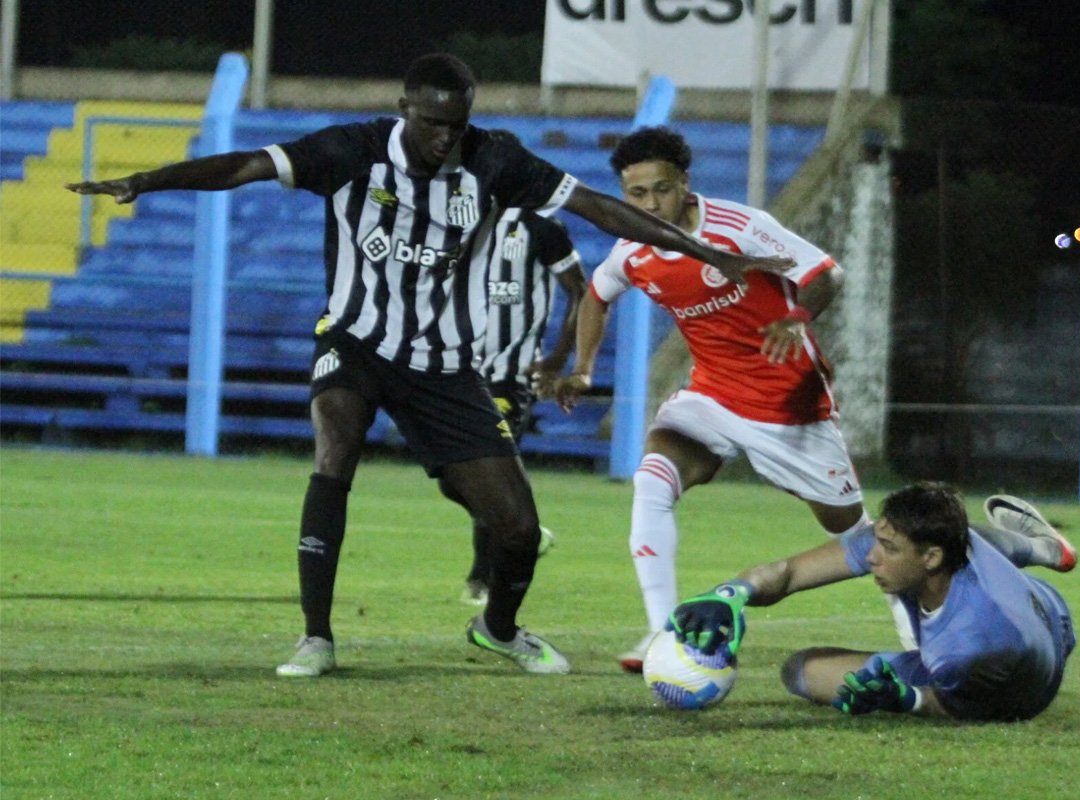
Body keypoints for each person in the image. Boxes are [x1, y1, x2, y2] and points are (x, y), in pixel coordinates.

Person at [65, 54, 792, 678]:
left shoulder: (495, 158)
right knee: (335, 451)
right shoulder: (351, 149)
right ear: (405, 109)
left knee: (515, 529)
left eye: (457, 123)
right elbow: (251, 164)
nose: (447, 137)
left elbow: (602, 209)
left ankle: (499, 630)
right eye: (434, 122)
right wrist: (149, 180)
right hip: (353, 337)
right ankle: (316, 636)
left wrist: (709, 252)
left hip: (442, 364)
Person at [553, 126, 868, 673]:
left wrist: (794, 319)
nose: (651, 204)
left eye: (662, 190)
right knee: (651, 480)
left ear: (686, 184)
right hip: (711, 397)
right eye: (637, 195)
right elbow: (595, 296)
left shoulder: (740, 228)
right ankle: (657, 632)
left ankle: (923, 627)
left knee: (857, 536)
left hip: (787, 409)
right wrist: (581, 370)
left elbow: (825, 273)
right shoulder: (634, 249)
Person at [670, 485, 1078, 722]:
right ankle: (1045, 547)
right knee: (984, 540)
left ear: (930, 558)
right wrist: (731, 595)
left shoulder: (968, 643)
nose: (871, 558)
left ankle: (1042, 548)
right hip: (1041, 608)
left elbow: (964, 707)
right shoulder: (941, 545)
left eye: (888, 548)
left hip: (1023, 684)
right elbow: (788, 573)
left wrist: (904, 698)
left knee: (801, 672)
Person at [448, 207, 587, 606]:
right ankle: (526, 531)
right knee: (450, 476)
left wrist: (559, 359)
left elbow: (580, 289)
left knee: (486, 465)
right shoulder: (459, 217)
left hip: (513, 373)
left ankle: (485, 577)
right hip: (457, 370)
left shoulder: (541, 227)